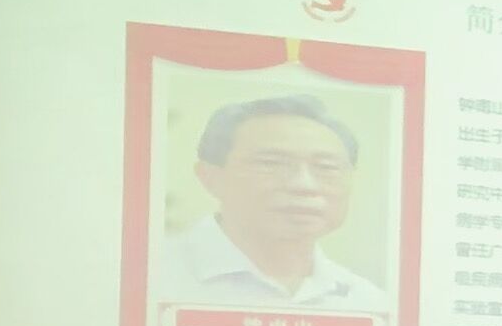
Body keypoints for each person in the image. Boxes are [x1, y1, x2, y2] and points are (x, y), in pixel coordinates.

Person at [159, 93, 393, 313]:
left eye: (326, 167)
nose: (304, 185)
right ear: (210, 178)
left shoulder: (370, 302)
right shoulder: (153, 276)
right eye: (270, 163)